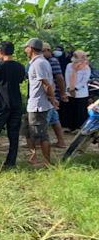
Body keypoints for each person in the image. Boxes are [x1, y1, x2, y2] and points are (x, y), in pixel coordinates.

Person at [24, 38, 58, 167]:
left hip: (39, 105)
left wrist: (52, 99)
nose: (25, 50)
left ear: (31, 48)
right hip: (34, 103)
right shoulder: (40, 62)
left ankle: (47, 162)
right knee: (29, 131)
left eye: (26, 47)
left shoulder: (38, 63)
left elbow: (46, 84)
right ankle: (33, 156)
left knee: (41, 135)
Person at [42, 43, 68, 148]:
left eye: (43, 51)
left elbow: (59, 78)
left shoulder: (52, 61)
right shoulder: (46, 62)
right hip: (51, 94)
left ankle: (40, 142)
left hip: (52, 94)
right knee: (54, 118)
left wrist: (62, 93)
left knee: (45, 118)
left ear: (48, 50)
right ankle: (61, 141)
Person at [65, 50, 91, 131]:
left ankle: (80, 127)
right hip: (70, 91)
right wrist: (69, 87)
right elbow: (67, 77)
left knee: (80, 110)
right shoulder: (69, 65)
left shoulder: (86, 67)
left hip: (81, 92)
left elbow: (85, 80)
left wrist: (76, 88)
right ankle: (71, 127)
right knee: (71, 109)